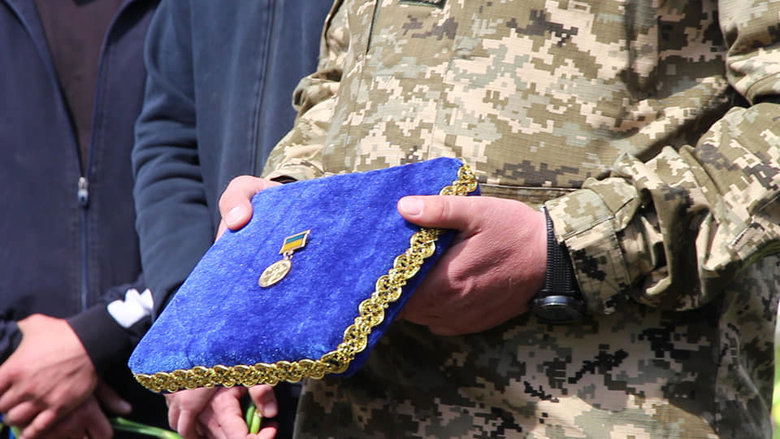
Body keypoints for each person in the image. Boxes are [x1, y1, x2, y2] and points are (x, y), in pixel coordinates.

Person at [172, 0, 780, 437]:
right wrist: (258, 283)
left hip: (615, 408)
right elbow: (340, 92)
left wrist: (566, 250)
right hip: (356, 411)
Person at [130, 1, 334, 437]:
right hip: (219, 378)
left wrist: (271, 322)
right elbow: (170, 143)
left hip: (349, 358)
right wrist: (191, 325)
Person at [0, 0, 168, 438]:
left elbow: (235, 190)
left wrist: (97, 338)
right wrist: (21, 359)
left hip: (175, 397)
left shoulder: (206, 12)